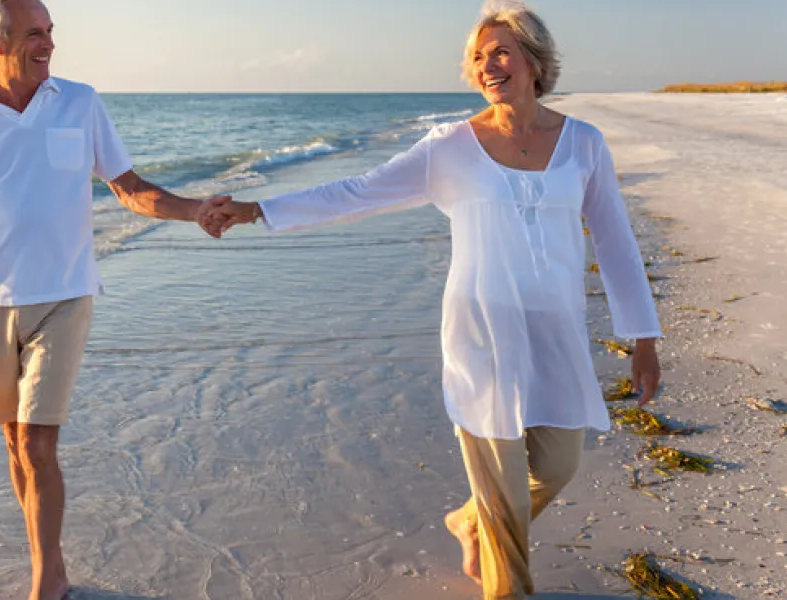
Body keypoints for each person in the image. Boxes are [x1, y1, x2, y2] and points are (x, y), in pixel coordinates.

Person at [200, 3, 662, 598]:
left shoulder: (583, 143)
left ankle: (470, 519)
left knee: (556, 467)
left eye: (499, 51)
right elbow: (358, 192)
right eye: (477, 57)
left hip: (557, 333)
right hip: (482, 334)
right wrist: (259, 209)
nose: (487, 65)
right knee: (507, 503)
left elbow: (617, 241)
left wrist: (644, 340)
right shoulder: (451, 146)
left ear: (534, 59)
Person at [0, 1, 224, 598]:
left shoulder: (80, 102)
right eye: (35, 34)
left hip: (65, 296)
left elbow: (127, 187)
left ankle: (47, 577)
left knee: (36, 441)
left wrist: (192, 210)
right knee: (12, 439)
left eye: (51, 32)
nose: (49, 44)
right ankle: (43, 555)